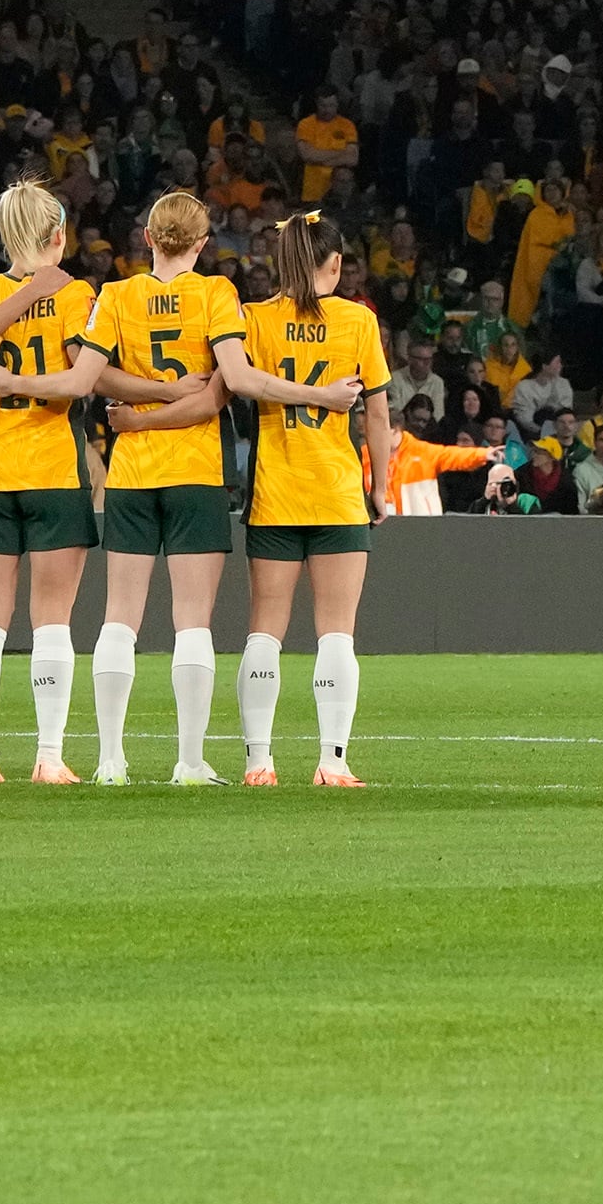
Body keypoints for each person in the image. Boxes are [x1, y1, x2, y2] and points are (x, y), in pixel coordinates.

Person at [0, 183, 103, 783]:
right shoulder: (73, 292)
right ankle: (49, 756)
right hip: (53, 471)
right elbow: (75, 383)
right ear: (57, 235)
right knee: (52, 618)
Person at [86, 191, 252, 785]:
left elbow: (94, 371)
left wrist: (138, 413)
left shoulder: (116, 295)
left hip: (131, 473)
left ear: (148, 238)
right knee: (192, 624)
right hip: (195, 475)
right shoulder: (217, 294)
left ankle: (109, 761)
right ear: (203, 244)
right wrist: (174, 394)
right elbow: (214, 395)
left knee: (117, 620)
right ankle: (188, 761)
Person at [229, 211, 396, 786]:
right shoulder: (357, 321)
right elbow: (377, 411)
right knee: (336, 632)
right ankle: (332, 762)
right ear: (336, 264)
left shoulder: (255, 318)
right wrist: (381, 489)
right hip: (336, 490)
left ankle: (258, 762)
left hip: (275, 490)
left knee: (263, 632)